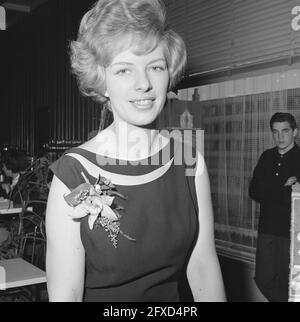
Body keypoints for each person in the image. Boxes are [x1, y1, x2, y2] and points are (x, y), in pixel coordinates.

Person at [46, 0, 226, 302]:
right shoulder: (75, 173)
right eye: (124, 70)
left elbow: (203, 267)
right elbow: (67, 293)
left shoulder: (190, 164)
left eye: (155, 67)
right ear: (102, 81)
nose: (144, 83)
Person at [249, 112, 300, 302]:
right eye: (276, 132)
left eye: (285, 131)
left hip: (292, 232)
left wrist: (271, 190)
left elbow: (295, 198)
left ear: (294, 132)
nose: (280, 136)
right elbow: (254, 191)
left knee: (289, 283)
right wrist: (283, 189)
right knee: (263, 279)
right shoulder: (266, 156)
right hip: (267, 229)